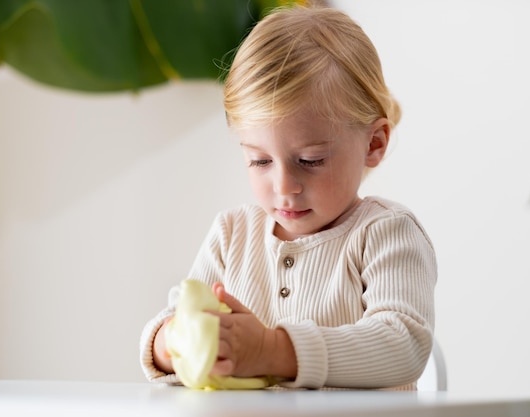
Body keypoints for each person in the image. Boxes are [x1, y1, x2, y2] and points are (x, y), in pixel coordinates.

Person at [140, 4, 437, 390]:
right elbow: (173, 322)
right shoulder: (232, 234)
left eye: (311, 160)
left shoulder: (387, 233)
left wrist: (272, 349)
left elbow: (404, 344)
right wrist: (176, 341)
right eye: (259, 160)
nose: (284, 187)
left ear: (374, 143)